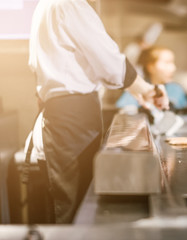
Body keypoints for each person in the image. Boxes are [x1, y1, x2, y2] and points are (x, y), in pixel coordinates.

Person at [28, 0, 169, 224]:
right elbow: (110, 62)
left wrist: (139, 92)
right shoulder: (71, 5)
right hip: (73, 117)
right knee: (75, 207)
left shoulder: (45, 6)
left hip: (60, 114)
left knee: (70, 203)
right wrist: (148, 90)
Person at [117, 46, 187, 109]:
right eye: (167, 63)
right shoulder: (137, 88)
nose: (173, 68)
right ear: (151, 67)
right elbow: (124, 107)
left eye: (172, 63)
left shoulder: (176, 89)